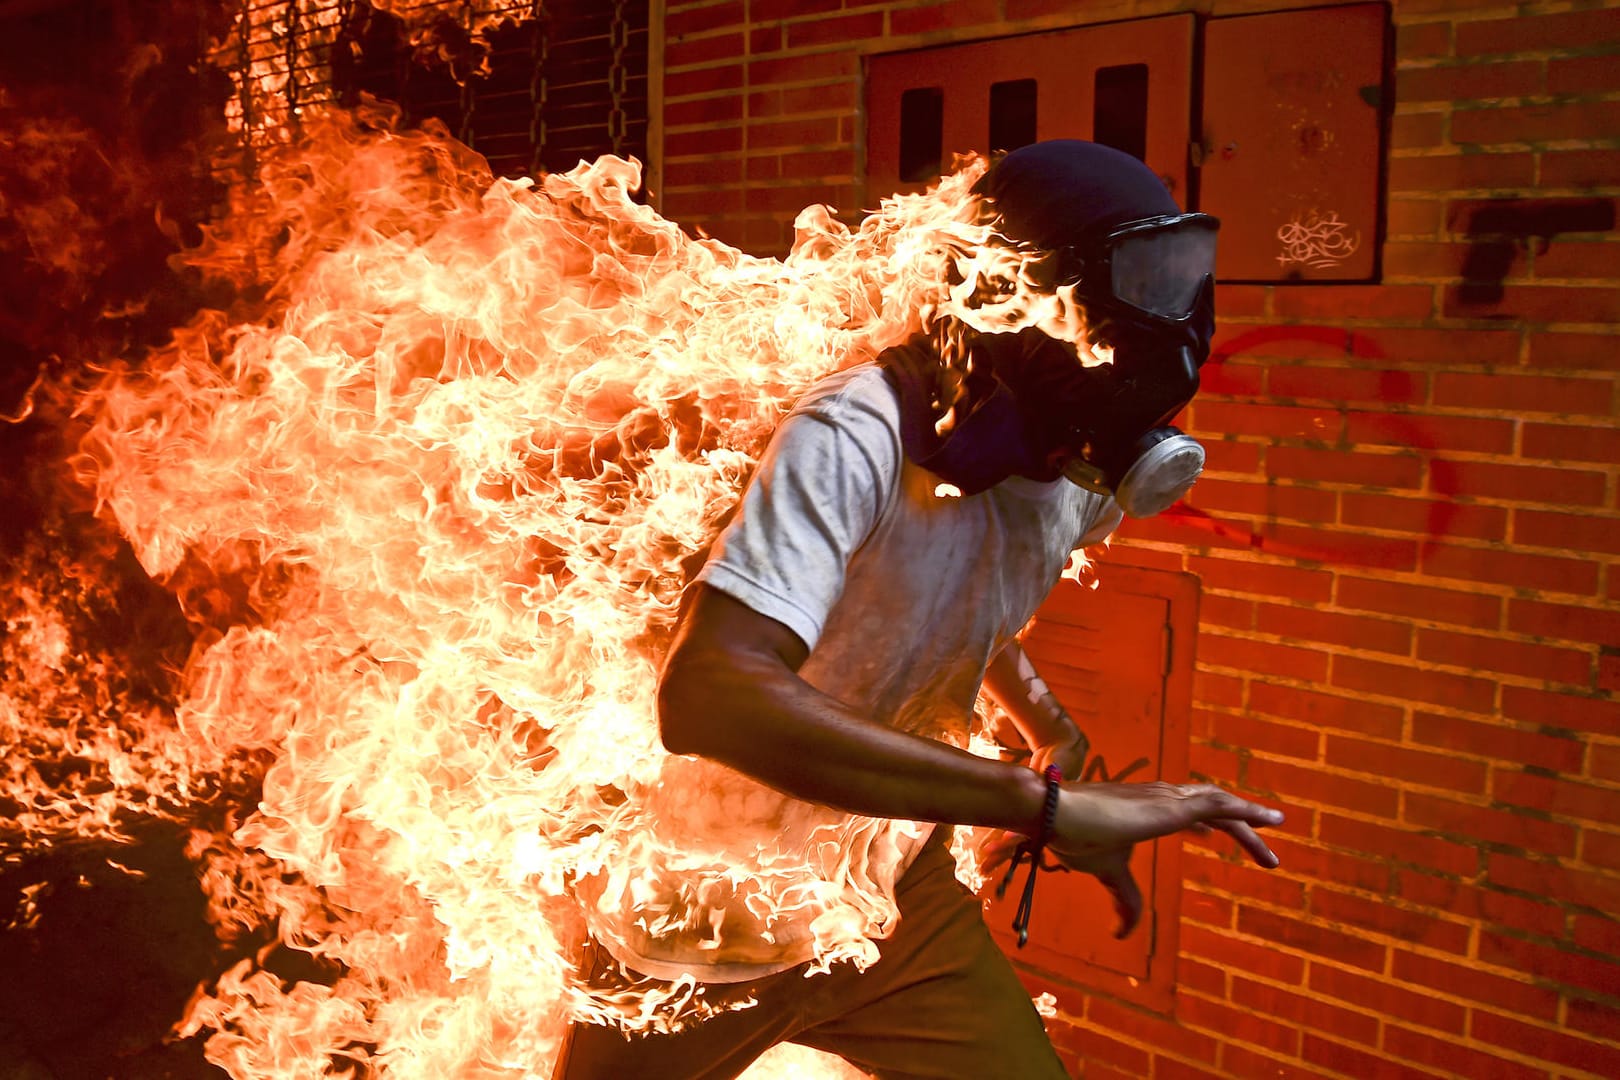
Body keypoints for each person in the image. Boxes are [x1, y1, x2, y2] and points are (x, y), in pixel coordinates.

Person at [553, 140, 1283, 1079]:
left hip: (892, 891)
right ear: (1014, 291)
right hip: (706, 920)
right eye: (1141, 278)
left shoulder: (1077, 466)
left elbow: (948, 599)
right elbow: (711, 692)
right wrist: (1046, 805)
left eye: (1183, 275)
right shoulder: (855, 434)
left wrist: (1049, 728)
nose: (1167, 318)